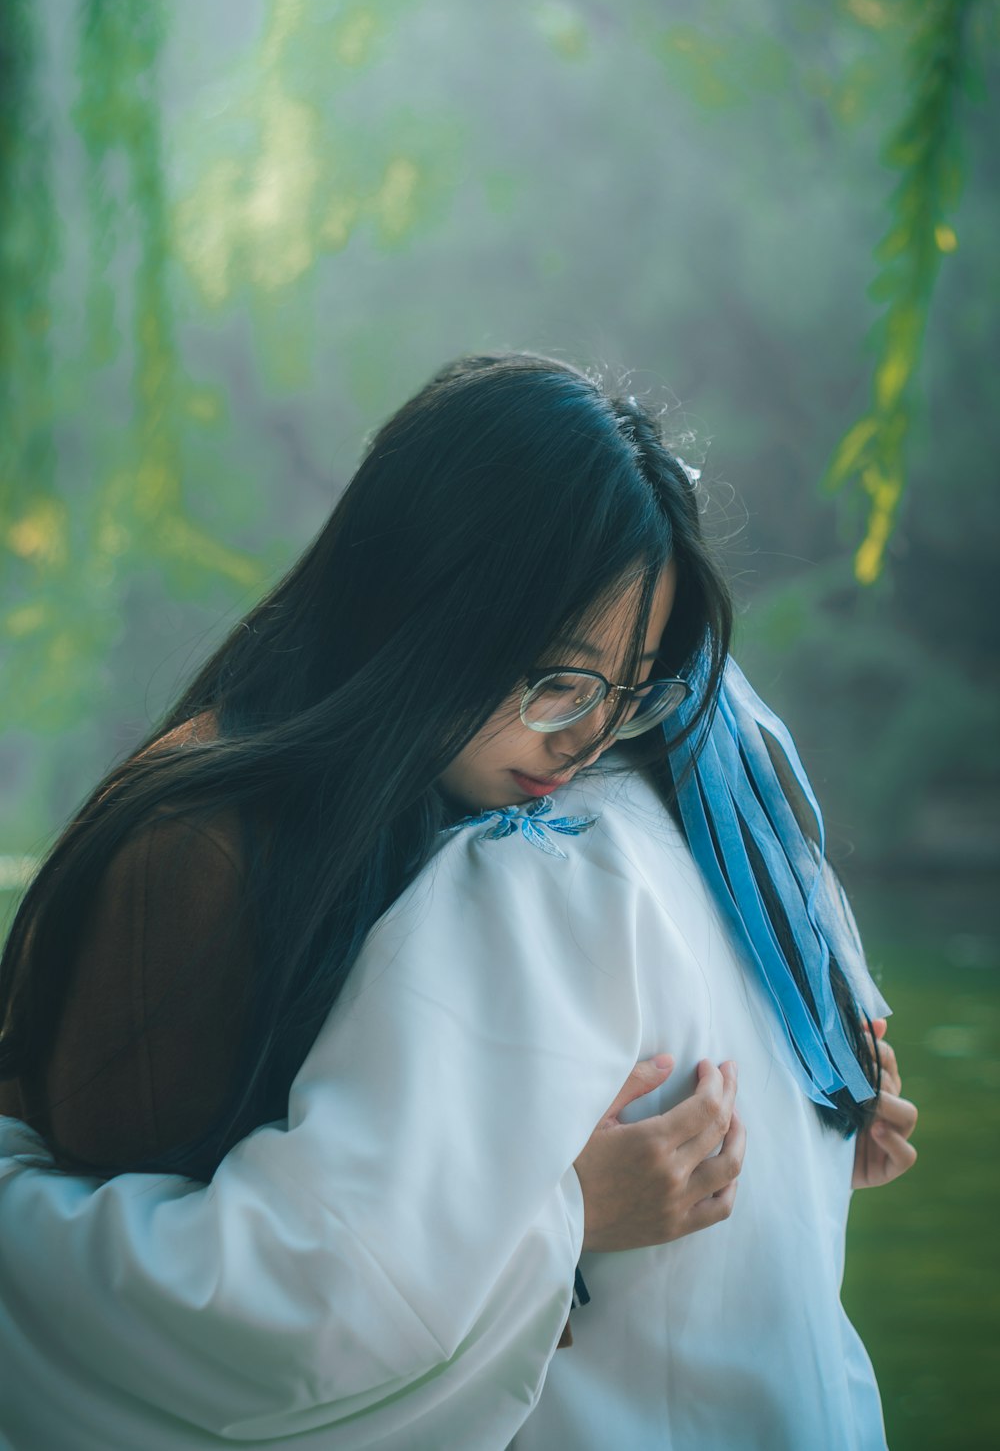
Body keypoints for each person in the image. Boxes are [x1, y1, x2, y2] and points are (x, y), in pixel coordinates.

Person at [0, 353, 916, 1449]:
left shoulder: (468, 798)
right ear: (426, 614)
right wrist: (560, 1218)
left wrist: (805, 1103)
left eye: (625, 695)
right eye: (558, 681)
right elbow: (224, 1321)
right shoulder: (203, 847)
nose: (582, 741)